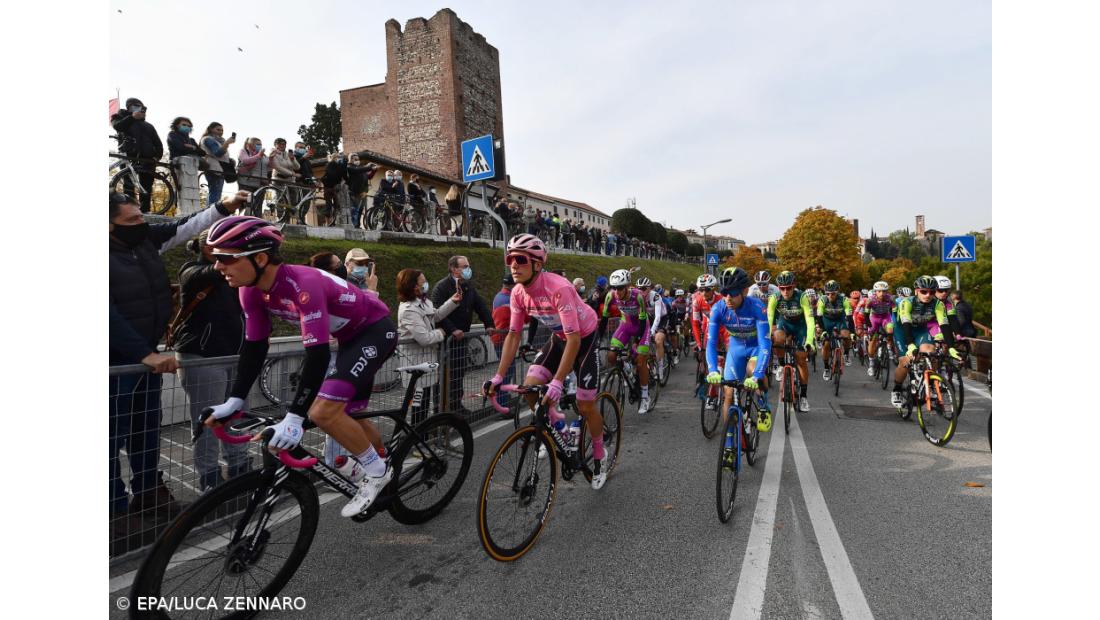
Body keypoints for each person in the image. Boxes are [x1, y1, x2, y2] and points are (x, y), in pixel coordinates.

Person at [203, 216, 400, 518]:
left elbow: (317, 356)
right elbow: (255, 347)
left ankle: (377, 471)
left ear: (260, 258)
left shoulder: (302, 285)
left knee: (322, 412)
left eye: (225, 258)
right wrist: (235, 400)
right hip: (348, 338)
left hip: (374, 330)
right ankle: (385, 459)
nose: (217, 266)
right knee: (349, 415)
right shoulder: (249, 290)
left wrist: (294, 418)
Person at [110, 190, 248, 545]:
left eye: (141, 216)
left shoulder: (143, 241)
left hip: (146, 358)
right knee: (109, 438)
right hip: (116, 360)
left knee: (145, 429)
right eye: (131, 220)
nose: (141, 223)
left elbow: (183, 227)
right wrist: (143, 353)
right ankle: (113, 511)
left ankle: (148, 492)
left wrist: (222, 208)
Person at [483, 235, 609, 489]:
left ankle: (599, 454)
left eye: (520, 259)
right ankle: (560, 427)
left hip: (583, 338)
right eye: (510, 259)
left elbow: (574, 340)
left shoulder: (558, 288)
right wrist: (498, 376)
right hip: (560, 337)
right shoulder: (518, 293)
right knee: (530, 389)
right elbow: (514, 334)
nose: (514, 265)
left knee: (585, 405)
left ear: (538, 265)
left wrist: (558, 382)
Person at [173, 229, 251, 491]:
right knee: (207, 421)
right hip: (203, 357)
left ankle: (240, 468)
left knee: (237, 417)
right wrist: (237, 258)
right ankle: (210, 478)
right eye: (220, 247)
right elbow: (211, 272)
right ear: (206, 248)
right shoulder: (191, 270)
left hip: (237, 355)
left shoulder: (239, 276)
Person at [705, 267, 774, 432]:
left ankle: (763, 404)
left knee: (752, 369)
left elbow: (765, 344)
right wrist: (713, 370)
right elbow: (711, 343)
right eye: (724, 293)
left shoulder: (757, 306)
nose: (728, 298)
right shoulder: (718, 309)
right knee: (728, 393)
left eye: (733, 293)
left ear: (744, 291)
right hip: (736, 349)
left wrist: (757, 375)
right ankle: (729, 442)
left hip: (756, 347)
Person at [431, 256, 494, 415]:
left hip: (462, 338)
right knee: (444, 375)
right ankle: (440, 410)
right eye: (465, 266)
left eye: (468, 266)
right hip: (447, 339)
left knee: (459, 372)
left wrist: (489, 324)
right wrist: (452, 330)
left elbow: (480, 306)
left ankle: (456, 405)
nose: (468, 269)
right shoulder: (442, 287)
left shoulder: (468, 286)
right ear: (453, 268)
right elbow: (437, 313)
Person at [397, 268, 460, 424]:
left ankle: (422, 437)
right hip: (415, 366)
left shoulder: (423, 303)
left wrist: (452, 302)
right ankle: (417, 439)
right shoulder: (408, 309)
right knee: (418, 406)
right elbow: (424, 338)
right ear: (413, 286)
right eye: (422, 282)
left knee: (424, 404)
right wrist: (440, 333)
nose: (426, 284)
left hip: (427, 363)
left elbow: (436, 315)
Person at [890, 276, 962, 408]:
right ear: (916, 291)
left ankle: (929, 383)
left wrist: (951, 347)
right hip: (903, 331)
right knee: (906, 361)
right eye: (924, 291)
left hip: (921, 331)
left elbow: (944, 326)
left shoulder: (938, 304)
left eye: (932, 292)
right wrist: (910, 345)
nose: (928, 295)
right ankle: (897, 389)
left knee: (931, 351)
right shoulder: (907, 302)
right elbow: (906, 324)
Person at [601, 269, 653, 415]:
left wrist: (636, 341)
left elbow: (643, 321)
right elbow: (604, 319)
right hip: (626, 325)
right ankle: (627, 367)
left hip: (641, 327)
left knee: (641, 361)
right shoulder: (610, 296)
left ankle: (644, 396)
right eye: (613, 287)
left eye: (619, 288)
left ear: (628, 286)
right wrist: (597, 339)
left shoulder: (638, 297)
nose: (616, 291)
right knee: (611, 356)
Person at [766, 271, 815, 411]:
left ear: (794, 286)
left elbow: (810, 320)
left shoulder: (802, 297)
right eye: (782, 288)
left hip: (801, 327)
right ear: (779, 288)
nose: (785, 291)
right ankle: (781, 364)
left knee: (801, 359)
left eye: (788, 288)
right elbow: (769, 319)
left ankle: (804, 397)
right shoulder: (774, 297)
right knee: (777, 338)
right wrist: (767, 336)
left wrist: (810, 341)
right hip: (785, 323)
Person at [111, 97, 163, 213]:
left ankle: (145, 211)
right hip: (129, 156)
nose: (137, 108)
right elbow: (118, 126)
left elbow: (158, 143)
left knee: (146, 187)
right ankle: (130, 210)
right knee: (129, 185)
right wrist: (132, 118)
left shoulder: (149, 125)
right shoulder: (119, 117)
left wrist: (156, 156)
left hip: (148, 159)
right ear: (128, 107)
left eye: (140, 106)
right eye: (134, 105)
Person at [816, 280, 855, 377]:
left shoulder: (844, 300)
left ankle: (846, 354)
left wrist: (852, 333)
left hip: (839, 320)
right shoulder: (822, 300)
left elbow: (850, 318)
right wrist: (823, 331)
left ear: (837, 292)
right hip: (826, 321)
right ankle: (826, 368)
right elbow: (819, 317)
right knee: (826, 344)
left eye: (832, 293)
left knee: (846, 336)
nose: (830, 296)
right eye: (828, 294)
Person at [491, 273, 517, 409]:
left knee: (508, 371)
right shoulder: (507, 299)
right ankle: (502, 403)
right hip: (503, 340)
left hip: (502, 339)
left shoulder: (500, 296)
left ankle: (504, 398)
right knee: (506, 372)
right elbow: (501, 324)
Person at [863, 281, 896, 376]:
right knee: (873, 340)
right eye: (879, 291)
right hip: (874, 319)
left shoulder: (890, 299)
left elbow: (894, 312)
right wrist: (869, 325)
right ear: (875, 292)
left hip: (886, 317)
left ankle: (889, 347)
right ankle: (871, 364)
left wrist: (895, 323)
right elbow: (866, 314)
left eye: (884, 291)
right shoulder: (870, 300)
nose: (882, 293)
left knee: (890, 330)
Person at [200, 122, 236, 206]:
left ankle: (210, 212)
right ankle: (211, 213)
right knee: (215, 193)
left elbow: (220, 155)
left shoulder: (218, 141)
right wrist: (227, 143)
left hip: (219, 168)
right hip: (213, 168)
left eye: (222, 130)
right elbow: (217, 153)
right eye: (218, 129)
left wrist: (230, 160)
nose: (220, 132)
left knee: (216, 193)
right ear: (211, 129)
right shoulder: (208, 139)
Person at [236, 137, 269, 216]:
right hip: (246, 183)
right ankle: (243, 222)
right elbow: (245, 160)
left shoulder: (264, 155)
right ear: (250, 144)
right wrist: (258, 156)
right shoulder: (243, 151)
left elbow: (268, 166)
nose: (260, 146)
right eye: (257, 144)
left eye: (260, 144)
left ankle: (257, 223)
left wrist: (271, 158)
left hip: (260, 184)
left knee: (258, 206)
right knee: (245, 205)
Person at [346, 155, 376, 229]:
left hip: (362, 193)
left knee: (359, 210)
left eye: (358, 159)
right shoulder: (349, 167)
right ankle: (352, 225)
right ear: (350, 160)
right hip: (352, 192)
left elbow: (367, 177)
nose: (357, 161)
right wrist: (369, 167)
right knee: (353, 210)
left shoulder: (361, 169)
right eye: (355, 159)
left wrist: (374, 170)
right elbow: (357, 170)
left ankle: (357, 225)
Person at [320, 152, 348, 226]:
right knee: (328, 205)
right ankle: (328, 222)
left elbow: (344, 175)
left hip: (335, 187)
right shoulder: (330, 165)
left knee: (336, 205)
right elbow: (329, 175)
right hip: (328, 187)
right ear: (333, 158)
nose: (338, 159)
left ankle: (334, 221)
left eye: (339, 157)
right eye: (337, 157)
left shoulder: (340, 166)